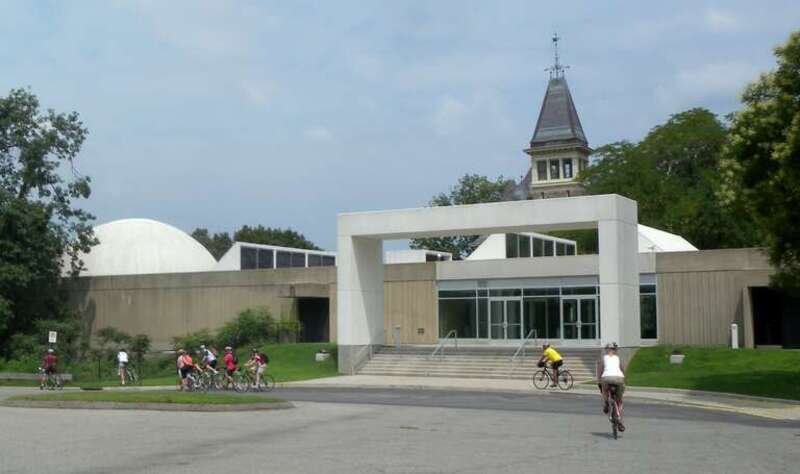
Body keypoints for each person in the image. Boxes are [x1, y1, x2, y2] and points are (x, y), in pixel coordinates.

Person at [597, 342, 626, 432]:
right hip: (619, 379)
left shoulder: (603, 358)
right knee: (619, 401)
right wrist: (624, 381)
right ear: (615, 350)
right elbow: (622, 370)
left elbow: (600, 371)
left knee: (604, 390)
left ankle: (606, 403)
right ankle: (620, 421)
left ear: (606, 350)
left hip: (606, 378)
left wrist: (599, 381)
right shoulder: (618, 358)